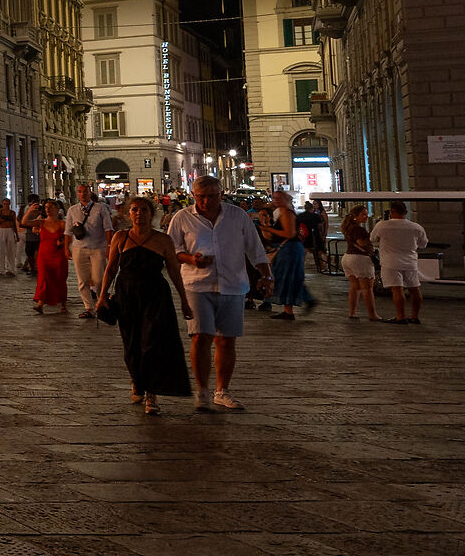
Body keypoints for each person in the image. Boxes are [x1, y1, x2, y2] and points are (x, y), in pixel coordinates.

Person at [167, 175, 268, 411]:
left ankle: (222, 390)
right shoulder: (182, 218)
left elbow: (255, 248)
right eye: (201, 196)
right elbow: (172, 249)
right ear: (193, 195)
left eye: (212, 196)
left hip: (232, 284)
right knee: (201, 336)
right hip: (196, 284)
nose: (206, 201)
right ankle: (201, 390)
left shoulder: (237, 216)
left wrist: (267, 275)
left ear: (221, 194)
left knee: (226, 339)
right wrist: (190, 259)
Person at [102, 196, 195, 414]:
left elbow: (174, 271)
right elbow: (111, 268)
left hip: (155, 296)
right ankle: (137, 381)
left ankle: (152, 394)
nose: (138, 214)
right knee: (132, 344)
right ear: (127, 213)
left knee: (152, 343)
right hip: (126, 295)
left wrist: (184, 300)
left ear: (151, 214)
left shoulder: (163, 240)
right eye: (134, 210)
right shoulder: (120, 237)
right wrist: (102, 295)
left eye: (143, 210)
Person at [373, 201, 429, 325]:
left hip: (390, 262)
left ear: (392, 212)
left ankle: (401, 316)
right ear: (406, 212)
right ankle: (415, 316)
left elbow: (373, 239)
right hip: (410, 261)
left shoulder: (382, 225)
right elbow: (423, 244)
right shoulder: (416, 227)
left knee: (397, 290)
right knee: (414, 289)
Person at [264, 190, 313, 321]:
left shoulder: (286, 212)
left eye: (279, 198)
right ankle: (305, 301)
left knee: (286, 277)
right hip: (289, 249)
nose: (276, 200)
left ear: (286, 199)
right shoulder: (282, 210)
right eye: (274, 198)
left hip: (289, 249)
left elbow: (289, 233)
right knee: (291, 277)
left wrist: (268, 229)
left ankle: (289, 311)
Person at [68, 184, 114, 319]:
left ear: (90, 193)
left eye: (85, 191)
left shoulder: (101, 209)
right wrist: (66, 248)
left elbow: (108, 228)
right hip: (79, 248)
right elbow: (67, 231)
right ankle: (89, 307)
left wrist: (109, 247)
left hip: (98, 247)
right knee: (83, 281)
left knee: (99, 279)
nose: (82, 194)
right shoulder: (72, 210)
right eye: (80, 191)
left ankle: (101, 301)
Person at [339, 204, 381, 321]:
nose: (366, 217)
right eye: (363, 214)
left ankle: (352, 312)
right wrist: (370, 238)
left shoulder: (348, 227)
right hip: (359, 259)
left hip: (348, 258)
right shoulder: (358, 229)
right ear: (355, 216)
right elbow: (362, 243)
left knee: (355, 287)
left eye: (366, 215)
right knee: (367, 288)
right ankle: (372, 314)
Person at [30, 199, 70, 314]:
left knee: (60, 279)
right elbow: (25, 222)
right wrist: (30, 211)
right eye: (46, 207)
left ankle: (63, 303)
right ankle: (40, 304)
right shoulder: (41, 221)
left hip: (58, 255)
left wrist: (64, 244)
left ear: (57, 210)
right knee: (43, 279)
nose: (47, 210)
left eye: (50, 207)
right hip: (44, 255)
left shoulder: (62, 224)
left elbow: (69, 237)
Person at [0, 198, 22, 277]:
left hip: (10, 230)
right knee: (0, 250)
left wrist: (16, 234)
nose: (6, 205)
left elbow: (14, 225)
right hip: (1, 230)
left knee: (11, 250)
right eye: (5, 204)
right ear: (3, 204)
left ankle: (11, 269)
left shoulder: (12, 213)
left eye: (8, 204)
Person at [300, 197, 331, 274]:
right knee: (318, 252)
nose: (314, 205)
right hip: (314, 235)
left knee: (318, 251)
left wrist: (324, 233)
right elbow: (319, 225)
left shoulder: (321, 212)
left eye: (316, 204)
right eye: (313, 204)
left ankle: (324, 265)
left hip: (311, 235)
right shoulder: (314, 214)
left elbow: (325, 223)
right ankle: (321, 266)